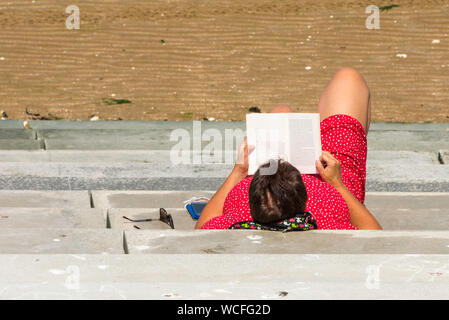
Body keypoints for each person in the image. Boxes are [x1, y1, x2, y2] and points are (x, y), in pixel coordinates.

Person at [195, 67, 382, 230]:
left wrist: (238, 173)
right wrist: (337, 184)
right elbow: (373, 232)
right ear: (304, 201)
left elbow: (204, 226)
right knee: (348, 78)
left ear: (252, 203)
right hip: (331, 184)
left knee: (281, 113)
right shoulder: (328, 216)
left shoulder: (237, 220)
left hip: (285, 192)